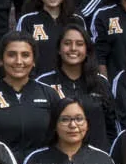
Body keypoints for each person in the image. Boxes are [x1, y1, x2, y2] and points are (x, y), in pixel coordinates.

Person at [0, 33, 65, 164]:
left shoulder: (49, 94)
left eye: (25, 55)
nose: (18, 61)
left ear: (34, 60)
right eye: (11, 55)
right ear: (1, 59)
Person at [39, 21, 118, 150]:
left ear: (87, 50)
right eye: (67, 43)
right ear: (59, 49)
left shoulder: (101, 83)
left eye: (79, 44)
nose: (73, 48)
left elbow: (112, 127)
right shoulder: (44, 83)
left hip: (97, 160)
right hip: (58, 160)